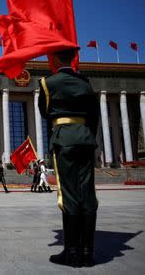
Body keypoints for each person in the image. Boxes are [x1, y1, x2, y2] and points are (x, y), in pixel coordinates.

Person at [39, 48, 99, 267]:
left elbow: (46, 113)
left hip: (63, 139)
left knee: (69, 195)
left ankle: (72, 253)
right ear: (74, 58)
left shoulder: (48, 83)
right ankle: (88, 251)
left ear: (53, 58)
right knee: (88, 194)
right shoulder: (85, 83)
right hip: (85, 138)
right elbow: (94, 116)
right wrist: (90, 137)